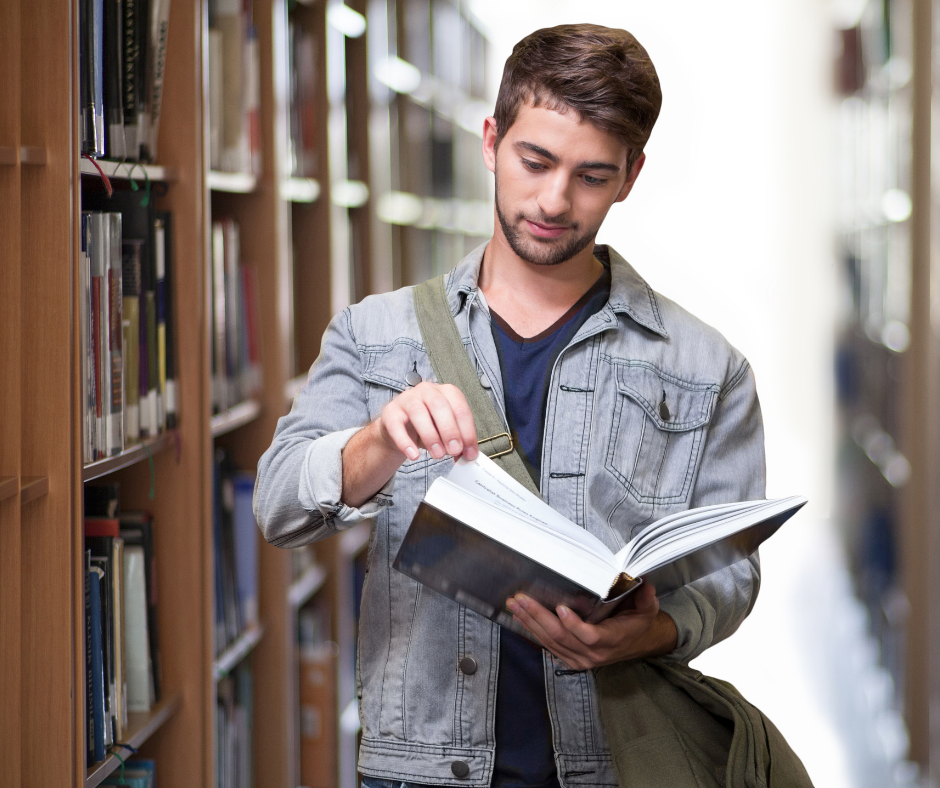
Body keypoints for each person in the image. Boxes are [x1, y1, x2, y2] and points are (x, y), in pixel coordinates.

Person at [255, 23, 765, 788]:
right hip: (420, 770)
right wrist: (378, 442)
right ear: (492, 140)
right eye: (536, 161)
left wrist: (651, 632)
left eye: (592, 175)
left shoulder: (705, 367)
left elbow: (732, 575)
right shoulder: (376, 335)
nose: (555, 200)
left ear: (631, 174)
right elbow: (278, 504)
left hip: (614, 765)